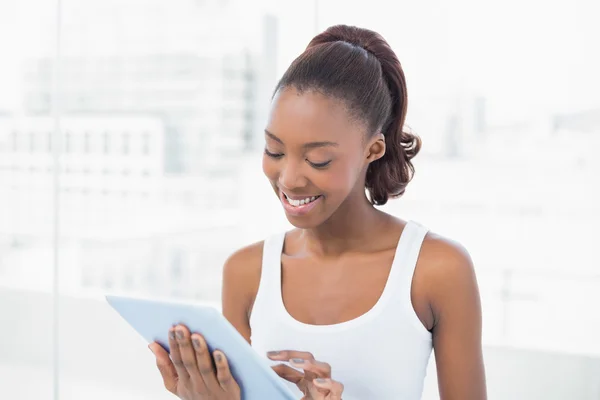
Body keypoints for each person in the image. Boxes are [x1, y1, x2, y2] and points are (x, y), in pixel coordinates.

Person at [149, 24, 487, 400]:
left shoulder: (437, 270)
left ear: (372, 151)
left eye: (318, 160)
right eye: (274, 151)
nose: (289, 179)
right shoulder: (247, 273)